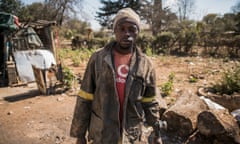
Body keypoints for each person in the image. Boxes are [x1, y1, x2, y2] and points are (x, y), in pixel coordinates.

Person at [70, 7, 165, 144]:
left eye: (132, 29)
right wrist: (79, 135)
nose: (127, 33)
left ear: (138, 32)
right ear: (115, 31)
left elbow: (149, 101)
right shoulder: (98, 59)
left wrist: (157, 132)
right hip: (102, 133)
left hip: (131, 134)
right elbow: (85, 97)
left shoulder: (146, 64)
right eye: (121, 28)